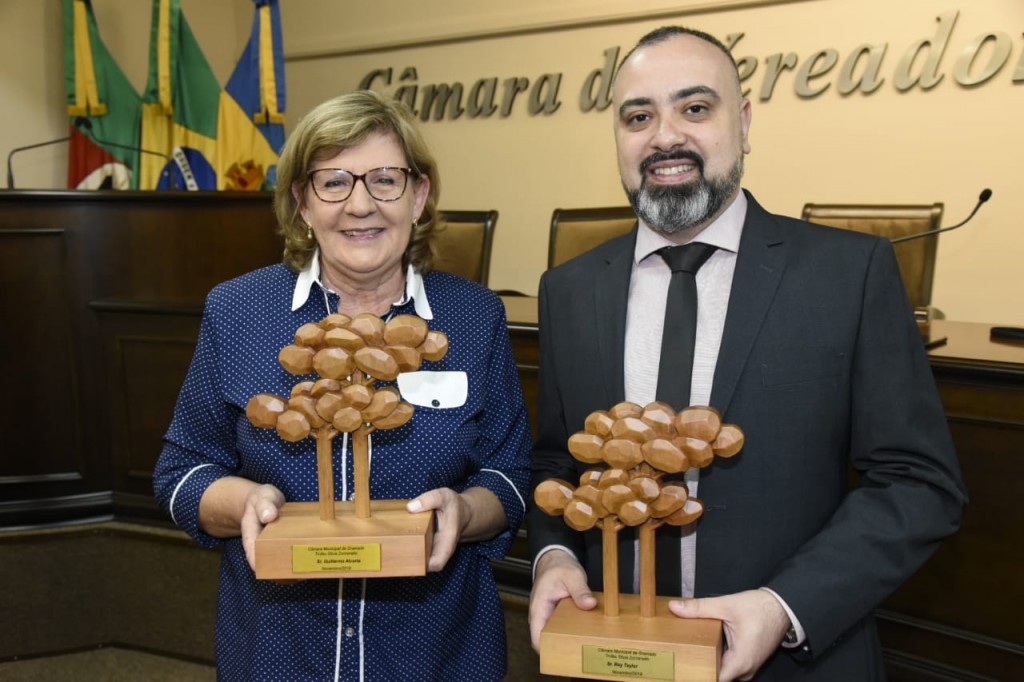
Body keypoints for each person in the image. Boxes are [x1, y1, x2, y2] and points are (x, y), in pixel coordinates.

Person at [528, 26, 967, 681]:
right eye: (638, 116)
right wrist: (554, 556)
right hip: (612, 656)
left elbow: (918, 484)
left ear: (745, 121)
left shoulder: (849, 274)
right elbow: (558, 459)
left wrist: (782, 607)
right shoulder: (568, 289)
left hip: (793, 661)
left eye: (695, 108)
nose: (665, 136)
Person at [153, 90, 531, 681]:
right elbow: (181, 475)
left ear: (420, 195)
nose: (361, 205)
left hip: (434, 647)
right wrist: (244, 503)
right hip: (281, 647)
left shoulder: (475, 315)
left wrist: (464, 510)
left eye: (385, 180)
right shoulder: (236, 310)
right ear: (302, 201)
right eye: (334, 182)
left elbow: (509, 476)